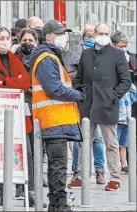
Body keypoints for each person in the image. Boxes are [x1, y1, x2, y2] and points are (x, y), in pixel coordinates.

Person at [29, 20, 84, 211]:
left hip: (55, 119)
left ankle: (55, 203)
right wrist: (78, 95)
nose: (65, 36)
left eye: (65, 33)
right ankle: (59, 204)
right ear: (49, 36)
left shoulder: (51, 56)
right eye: (60, 33)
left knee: (57, 165)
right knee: (59, 166)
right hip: (53, 120)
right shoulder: (46, 58)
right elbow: (54, 89)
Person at [73, 24, 131, 191]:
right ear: (94, 34)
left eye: (106, 33)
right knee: (84, 142)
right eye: (100, 33)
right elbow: (78, 79)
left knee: (111, 143)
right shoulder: (86, 54)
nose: (103, 36)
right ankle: (83, 175)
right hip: (88, 105)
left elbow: (126, 81)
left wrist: (113, 96)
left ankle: (114, 178)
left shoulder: (117, 55)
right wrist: (81, 94)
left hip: (107, 106)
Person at [0, 27, 32, 207]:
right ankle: (3, 192)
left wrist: (6, 82)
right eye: (1, 38)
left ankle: (27, 190)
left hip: (18, 112)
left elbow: (25, 83)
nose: (5, 41)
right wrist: (13, 83)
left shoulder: (15, 59)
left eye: (7, 38)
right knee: (1, 154)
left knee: (25, 154)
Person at [66, 24, 106, 187]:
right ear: (83, 37)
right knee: (80, 138)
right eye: (87, 35)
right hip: (83, 99)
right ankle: (78, 171)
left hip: (99, 99)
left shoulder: (104, 52)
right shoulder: (77, 52)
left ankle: (100, 171)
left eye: (93, 35)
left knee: (97, 137)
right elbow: (72, 73)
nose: (90, 38)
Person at [13, 28, 47, 208]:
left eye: (31, 40)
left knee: (35, 150)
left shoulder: (40, 60)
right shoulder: (13, 59)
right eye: (24, 40)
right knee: (22, 150)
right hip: (18, 106)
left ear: (36, 42)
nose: (28, 43)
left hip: (35, 107)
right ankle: (21, 187)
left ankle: (32, 187)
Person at [111, 30, 137, 173]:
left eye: (125, 45)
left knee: (124, 142)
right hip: (116, 108)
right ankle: (116, 166)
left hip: (127, 110)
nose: (124, 48)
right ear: (114, 45)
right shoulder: (110, 59)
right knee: (114, 141)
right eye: (121, 45)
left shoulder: (130, 60)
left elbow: (132, 86)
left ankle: (125, 164)